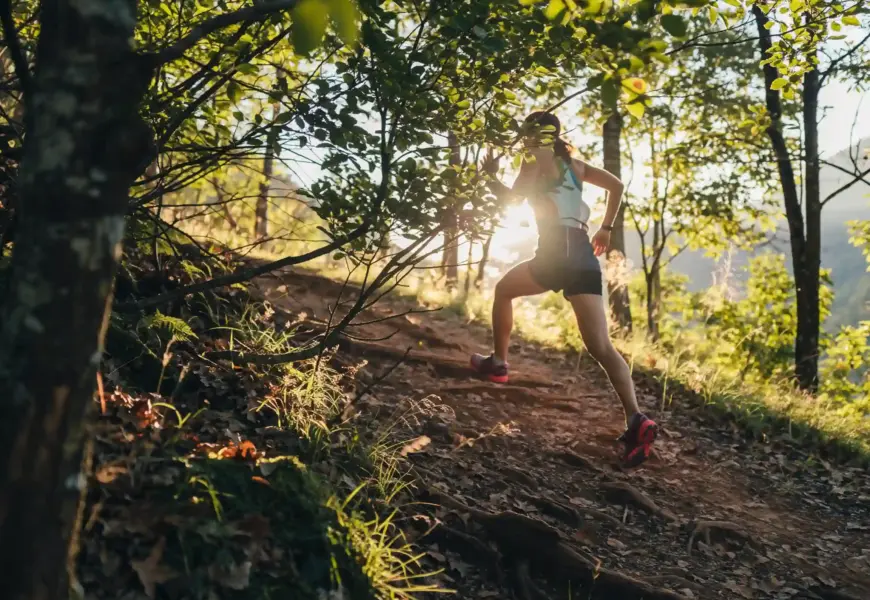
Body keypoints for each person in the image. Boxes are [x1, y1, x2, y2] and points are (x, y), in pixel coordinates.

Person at [471, 111, 657, 468]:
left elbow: (510, 200)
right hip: (584, 254)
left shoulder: (532, 161)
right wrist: (606, 228)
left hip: (557, 252)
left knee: (504, 290)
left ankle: (498, 363)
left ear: (529, 133)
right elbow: (617, 185)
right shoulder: (575, 164)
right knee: (601, 346)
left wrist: (490, 176)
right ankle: (637, 420)